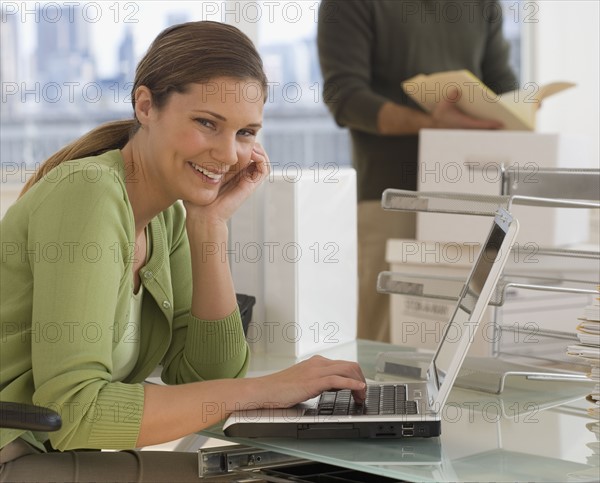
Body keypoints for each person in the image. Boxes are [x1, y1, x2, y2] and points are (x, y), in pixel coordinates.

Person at [0, 21, 367, 482]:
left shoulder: (166, 214)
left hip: (43, 456)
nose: (229, 154)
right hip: (13, 457)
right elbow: (75, 410)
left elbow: (206, 378)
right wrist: (265, 390)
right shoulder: (90, 193)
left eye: (246, 133)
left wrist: (209, 223)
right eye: (207, 123)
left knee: (295, 475)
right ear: (146, 105)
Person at [317, 0, 518, 343]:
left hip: (474, 194)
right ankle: (373, 399)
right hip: (392, 195)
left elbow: (502, 84)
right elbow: (344, 96)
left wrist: (521, 108)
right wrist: (430, 124)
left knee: (469, 333)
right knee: (383, 330)